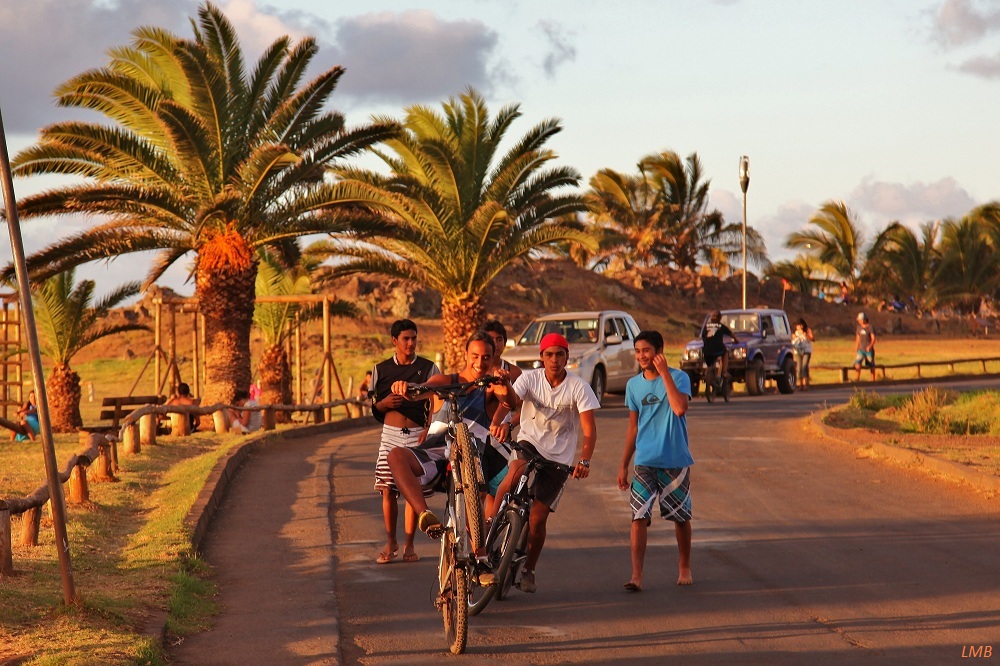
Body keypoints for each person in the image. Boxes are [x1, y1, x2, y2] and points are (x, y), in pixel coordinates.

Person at [385, 332, 515, 581]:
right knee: (396, 457)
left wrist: (504, 385)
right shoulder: (445, 380)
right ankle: (425, 515)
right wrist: (403, 387)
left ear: (493, 358)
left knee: (474, 499)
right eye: (475, 356)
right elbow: (419, 391)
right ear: (465, 355)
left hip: (470, 458)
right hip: (437, 453)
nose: (480, 362)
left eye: (486, 357)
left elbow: (510, 402)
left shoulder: (489, 388)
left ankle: (481, 560)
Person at [486, 332, 600, 594]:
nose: (554, 360)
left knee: (537, 519)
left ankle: (529, 569)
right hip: (529, 442)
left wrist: (584, 460)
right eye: (549, 354)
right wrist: (500, 422)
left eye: (560, 354)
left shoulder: (579, 387)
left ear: (567, 357)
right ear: (541, 357)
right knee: (515, 471)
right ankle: (491, 524)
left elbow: (589, 429)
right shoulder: (530, 379)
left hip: (558, 458)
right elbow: (511, 401)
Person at [617, 330, 693, 592]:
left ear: (659, 351)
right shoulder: (633, 386)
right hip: (645, 461)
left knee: (681, 517)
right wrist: (623, 464)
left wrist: (665, 375)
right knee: (638, 516)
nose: (641, 356)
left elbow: (679, 407)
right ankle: (636, 575)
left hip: (674, 459)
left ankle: (684, 566)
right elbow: (632, 428)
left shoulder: (680, 377)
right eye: (638, 351)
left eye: (646, 351)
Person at [369, 319, 439, 564]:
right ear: (394, 341)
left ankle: (409, 546)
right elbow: (374, 406)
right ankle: (391, 543)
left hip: (418, 434)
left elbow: (436, 402)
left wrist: (429, 430)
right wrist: (384, 404)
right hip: (390, 434)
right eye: (406, 339)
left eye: (414, 338)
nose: (411, 343)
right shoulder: (381, 369)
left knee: (412, 490)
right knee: (387, 489)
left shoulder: (429, 368)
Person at [481, 319, 523, 506]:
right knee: (478, 493)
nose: (496, 344)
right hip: (477, 436)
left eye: (500, 340)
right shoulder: (477, 371)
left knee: (498, 492)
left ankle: (489, 532)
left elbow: (522, 406)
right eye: (491, 339)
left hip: (501, 440)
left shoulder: (514, 372)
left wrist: (509, 424)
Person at [701, 311, 738, 382]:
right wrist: (736, 340)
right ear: (720, 318)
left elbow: (703, 336)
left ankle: (707, 372)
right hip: (718, 349)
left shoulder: (706, 326)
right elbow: (731, 334)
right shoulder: (721, 326)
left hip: (706, 350)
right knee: (725, 352)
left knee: (708, 361)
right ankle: (724, 372)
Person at [792, 319, 815, 391]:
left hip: (806, 351)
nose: (800, 327)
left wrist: (806, 335)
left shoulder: (807, 330)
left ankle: (806, 384)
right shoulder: (794, 332)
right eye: (798, 325)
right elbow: (791, 340)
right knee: (799, 368)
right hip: (797, 352)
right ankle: (801, 384)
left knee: (804, 366)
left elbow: (813, 339)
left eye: (801, 325)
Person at [853, 312, 877, 381]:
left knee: (871, 365)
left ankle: (873, 380)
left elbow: (873, 338)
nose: (859, 322)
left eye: (860, 320)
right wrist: (856, 348)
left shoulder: (870, 327)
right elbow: (857, 339)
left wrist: (870, 346)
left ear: (863, 320)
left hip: (868, 350)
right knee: (857, 364)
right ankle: (857, 379)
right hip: (861, 349)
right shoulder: (859, 328)